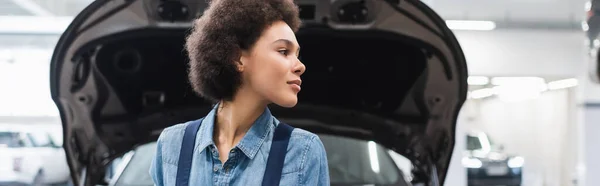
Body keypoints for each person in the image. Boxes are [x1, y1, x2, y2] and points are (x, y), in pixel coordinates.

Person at [149, 0, 330, 185]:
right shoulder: (172, 146)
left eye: (297, 55)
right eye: (284, 51)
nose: (301, 66)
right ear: (237, 57)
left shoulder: (303, 153)